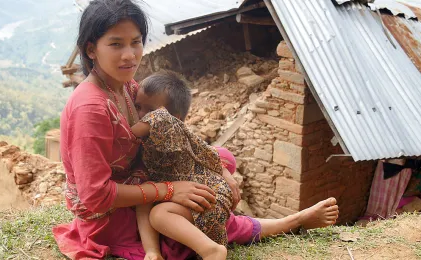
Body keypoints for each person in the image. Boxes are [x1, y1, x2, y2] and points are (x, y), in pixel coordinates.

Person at [52, 1, 339, 259]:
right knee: (188, 212)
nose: (130, 55)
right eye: (116, 44)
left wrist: (218, 169)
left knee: (220, 156)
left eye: (135, 42)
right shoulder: (90, 109)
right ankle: (290, 222)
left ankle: (229, 204)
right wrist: (167, 190)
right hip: (114, 214)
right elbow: (95, 196)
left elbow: (171, 132)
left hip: (142, 175)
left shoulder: (125, 87)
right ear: (91, 48)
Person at [131, 71, 234, 260]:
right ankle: (152, 253)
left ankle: (211, 250)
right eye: (137, 107)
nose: (141, 115)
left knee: (159, 214)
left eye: (149, 110)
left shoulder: (163, 121)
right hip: (184, 195)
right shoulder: (155, 137)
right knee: (143, 198)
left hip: (208, 194)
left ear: (174, 117)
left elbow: (127, 135)